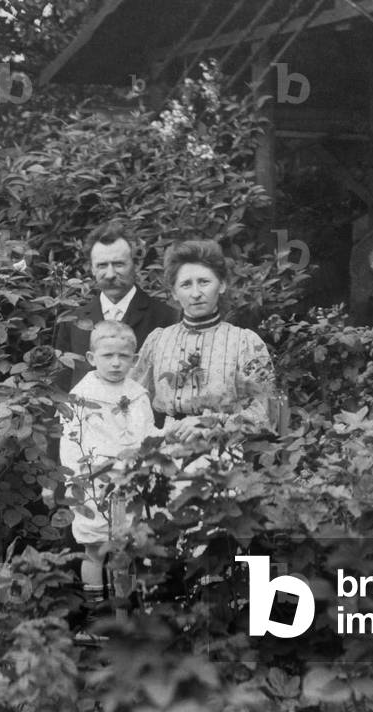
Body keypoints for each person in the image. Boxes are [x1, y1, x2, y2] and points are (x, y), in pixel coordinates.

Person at [131, 239, 276, 444]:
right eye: (186, 284)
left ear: (222, 285)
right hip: (165, 447)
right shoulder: (158, 341)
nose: (196, 293)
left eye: (204, 282)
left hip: (222, 449)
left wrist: (212, 423)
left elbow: (263, 415)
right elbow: (131, 399)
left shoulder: (244, 343)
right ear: (174, 292)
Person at [54, 320, 155, 607]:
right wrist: (79, 479)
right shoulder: (81, 396)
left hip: (130, 480)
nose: (116, 363)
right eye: (108, 355)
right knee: (95, 548)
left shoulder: (137, 395)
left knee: (125, 548)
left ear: (134, 359)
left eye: (123, 356)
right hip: (94, 482)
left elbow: (146, 435)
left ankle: (125, 610)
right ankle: (96, 610)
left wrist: (141, 466)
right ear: (91, 358)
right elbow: (70, 442)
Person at [54, 222, 179, 392]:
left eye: (119, 264)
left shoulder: (167, 318)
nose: (110, 274)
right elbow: (60, 389)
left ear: (136, 264)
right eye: (102, 265)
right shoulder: (72, 322)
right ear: (92, 268)